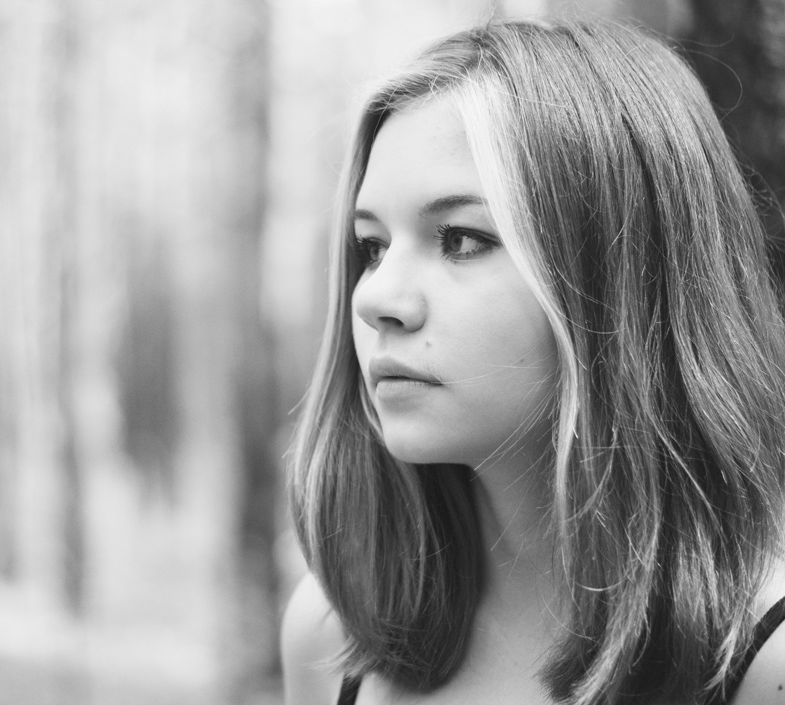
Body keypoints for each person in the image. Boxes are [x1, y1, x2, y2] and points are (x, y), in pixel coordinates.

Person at [281, 18, 785, 705]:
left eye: (460, 238)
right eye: (371, 246)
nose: (377, 299)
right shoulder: (334, 636)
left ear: (620, 279)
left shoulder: (760, 663)